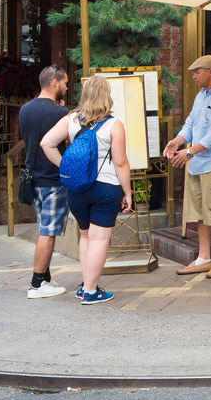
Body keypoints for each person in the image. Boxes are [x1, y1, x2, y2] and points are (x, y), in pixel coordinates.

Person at [40, 75, 132, 304]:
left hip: (77, 188)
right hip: (105, 188)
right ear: (107, 96)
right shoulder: (114, 125)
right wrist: (128, 193)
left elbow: (46, 143)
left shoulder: (70, 120)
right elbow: (120, 163)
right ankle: (91, 292)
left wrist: (65, 166)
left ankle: (86, 285)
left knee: (85, 236)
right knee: (99, 240)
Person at [164, 55, 211, 278]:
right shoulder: (201, 96)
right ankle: (204, 258)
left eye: (197, 72)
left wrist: (188, 152)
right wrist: (177, 141)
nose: (194, 77)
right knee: (200, 212)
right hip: (198, 164)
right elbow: (190, 123)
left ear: (210, 72)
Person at [19, 65, 71, 298]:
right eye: (65, 83)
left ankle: (46, 277)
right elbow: (67, 143)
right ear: (54, 82)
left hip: (33, 178)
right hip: (53, 177)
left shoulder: (24, 110)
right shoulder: (61, 113)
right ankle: (37, 283)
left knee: (44, 227)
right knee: (48, 232)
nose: (66, 87)